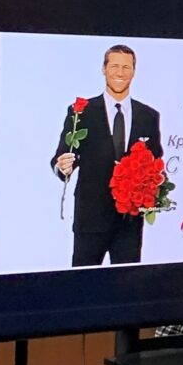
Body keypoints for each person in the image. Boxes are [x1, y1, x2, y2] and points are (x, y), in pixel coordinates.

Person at [51, 43, 163, 266]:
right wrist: (61, 166)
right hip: (90, 219)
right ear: (104, 69)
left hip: (129, 222)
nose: (120, 73)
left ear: (134, 71)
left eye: (126, 67)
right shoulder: (80, 112)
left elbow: (156, 162)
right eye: (114, 66)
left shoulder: (148, 116)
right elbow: (62, 155)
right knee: (82, 281)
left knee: (127, 282)